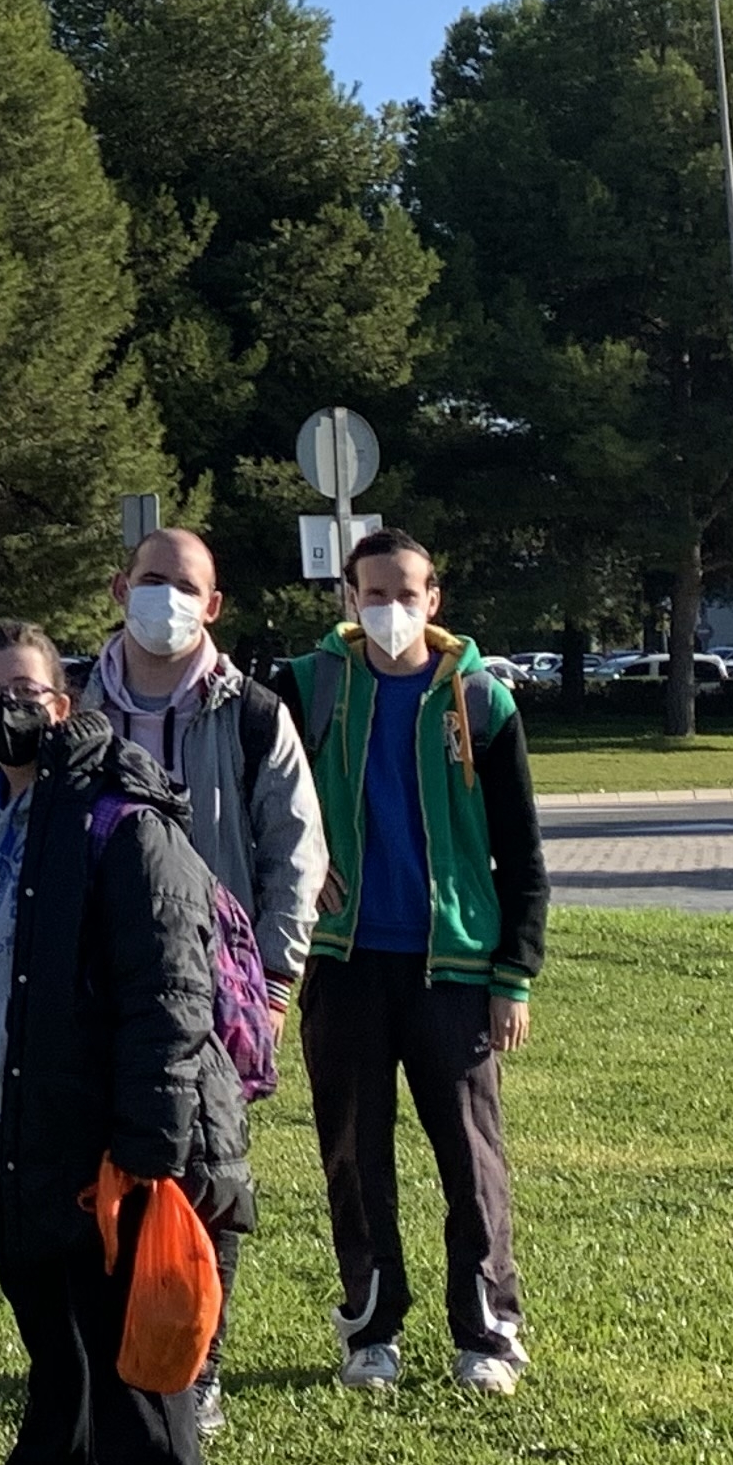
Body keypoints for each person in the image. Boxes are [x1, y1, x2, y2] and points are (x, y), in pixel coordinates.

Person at [0, 623, 257, 1465]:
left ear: (63, 702)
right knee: (49, 1317)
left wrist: (149, 1141)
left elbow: (169, 989)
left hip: (101, 1122)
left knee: (122, 1332)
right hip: (1, 1113)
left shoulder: (118, 818)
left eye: (20, 689)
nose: (1, 709)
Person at [293, 529, 548, 1397]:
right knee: (355, 1156)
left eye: (406, 593)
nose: (390, 609)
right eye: (373, 593)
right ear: (348, 600)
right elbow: (255, 799)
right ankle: (372, 1329)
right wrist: (299, 866)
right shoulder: (308, 688)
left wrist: (513, 974)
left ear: (434, 598)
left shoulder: (482, 701)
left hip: (456, 971)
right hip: (346, 962)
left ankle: (488, 1330)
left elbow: (521, 850)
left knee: (470, 1159)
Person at [87, 521, 327, 1435]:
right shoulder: (80, 709)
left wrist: (270, 981)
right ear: (119, 588)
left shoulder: (254, 711)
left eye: (186, 585)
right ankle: (116, 1356)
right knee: (111, 1174)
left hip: (220, 995)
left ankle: (199, 1365)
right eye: (151, 579)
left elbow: (295, 853)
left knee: (210, 1182)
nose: (167, 599)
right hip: (107, 987)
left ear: (215, 605)